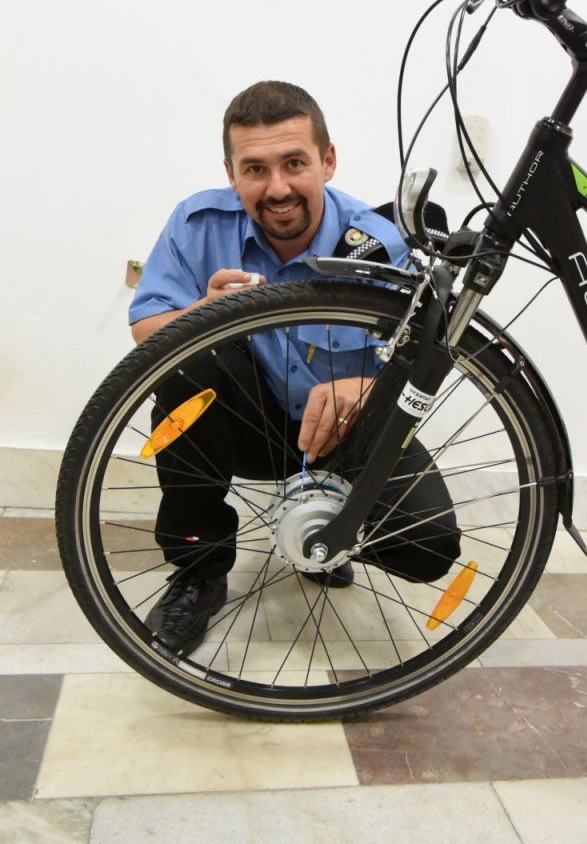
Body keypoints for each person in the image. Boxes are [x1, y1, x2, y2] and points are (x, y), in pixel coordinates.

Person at [129, 81, 461, 655]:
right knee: (189, 360)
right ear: (231, 173)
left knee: (427, 548)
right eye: (255, 169)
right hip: (244, 427)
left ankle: (328, 532)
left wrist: (370, 386)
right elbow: (145, 331)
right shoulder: (197, 224)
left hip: (348, 434)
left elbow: (427, 359)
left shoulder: (381, 245)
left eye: (294, 163)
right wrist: (204, 314)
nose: (277, 188)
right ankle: (199, 571)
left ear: (327, 162)